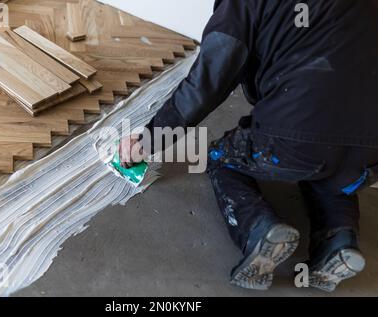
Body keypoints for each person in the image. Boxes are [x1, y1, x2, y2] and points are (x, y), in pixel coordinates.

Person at [119, 0, 378, 291]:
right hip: (369, 158)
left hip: (296, 137)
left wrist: (150, 139)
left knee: (221, 156)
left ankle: (260, 229)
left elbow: (207, 82)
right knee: (332, 164)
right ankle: (339, 238)